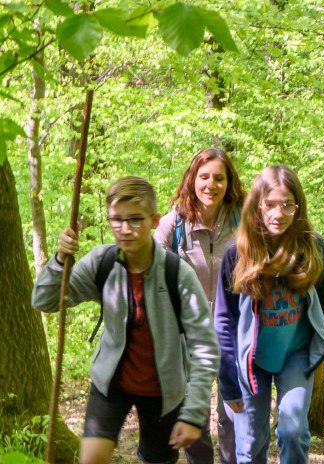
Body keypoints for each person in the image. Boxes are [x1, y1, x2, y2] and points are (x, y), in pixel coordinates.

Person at [34, 176, 219, 464]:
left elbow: (204, 346)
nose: (125, 229)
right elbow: (44, 300)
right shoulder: (102, 263)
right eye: (116, 220)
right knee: (92, 459)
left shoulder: (177, 274)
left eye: (135, 219)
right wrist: (59, 260)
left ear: (154, 220)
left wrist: (193, 414)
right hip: (111, 384)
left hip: (163, 390)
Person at [213, 165, 324, 464]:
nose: (278, 213)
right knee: (250, 443)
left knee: (293, 431)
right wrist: (228, 382)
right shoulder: (238, 252)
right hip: (251, 360)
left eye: (287, 205)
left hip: (295, 354)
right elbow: (224, 321)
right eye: (270, 204)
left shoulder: (312, 247)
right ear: (257, 206)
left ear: (298, 207)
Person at [154, 147, 245, 464]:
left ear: (229, 182)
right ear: (192, 180)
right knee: (195, 414)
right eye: (204, 177)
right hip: (189, 333)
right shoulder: (173, 225)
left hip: (234, 330)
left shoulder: (244, 222)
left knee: (233, 412)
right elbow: (148, 269)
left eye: (219, 178)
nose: (211, 185)